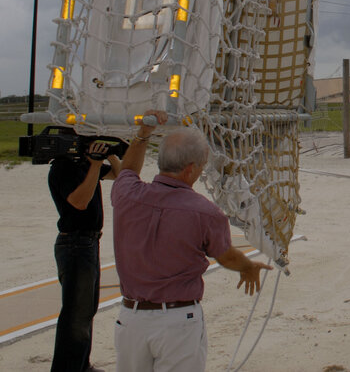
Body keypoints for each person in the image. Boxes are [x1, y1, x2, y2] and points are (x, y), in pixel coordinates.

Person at [111, 110, 272, 370]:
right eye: (201, 165)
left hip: (130, 319)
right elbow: (226, 256)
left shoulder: (127, 195)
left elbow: (127, 170)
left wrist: (143, 134)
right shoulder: (205, 212)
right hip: (177, 322)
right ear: (189, 170)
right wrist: (248, 267)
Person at [47, 134, 122, 372]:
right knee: (75, 314)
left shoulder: (84, 164)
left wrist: (109, 154)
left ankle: (82, 365)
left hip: (88, 243)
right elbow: (79, 201)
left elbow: (123, 177)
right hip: (74, 243)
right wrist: (96, 165)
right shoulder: (62, 167)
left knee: (86, 309)